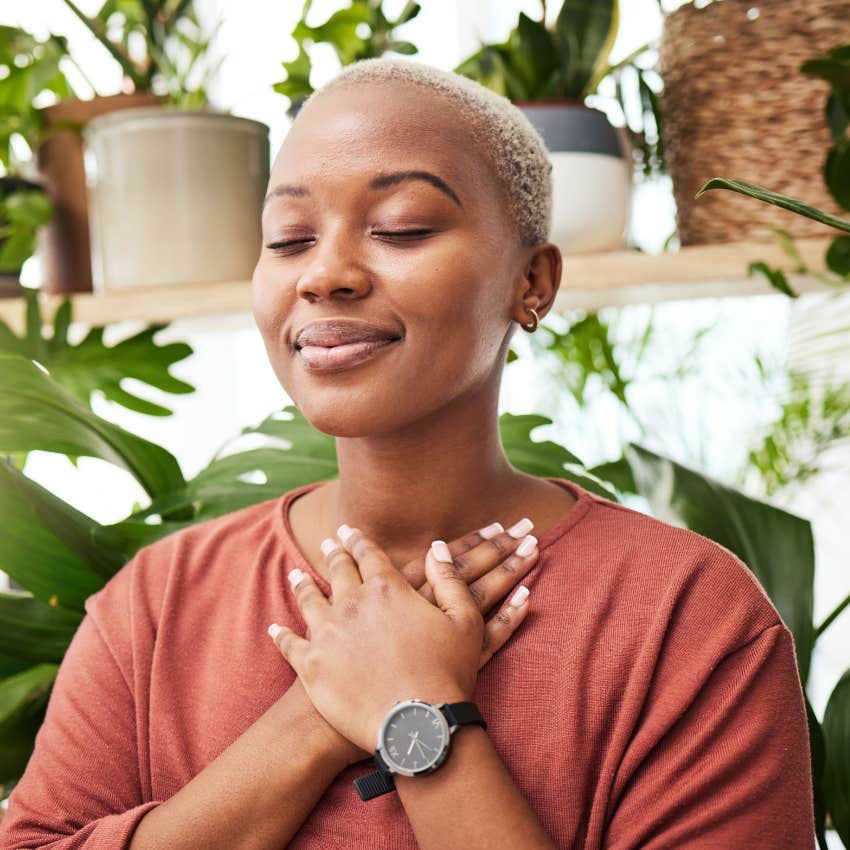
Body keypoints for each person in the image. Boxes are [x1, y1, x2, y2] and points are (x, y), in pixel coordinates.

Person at [0, 59, 814, 850]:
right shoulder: (157, 602)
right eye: (288, 239)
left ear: (533, 282)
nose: (324, 274)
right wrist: (314, 718)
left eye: (402, 228)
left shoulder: (689, 619)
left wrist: (416, 712)